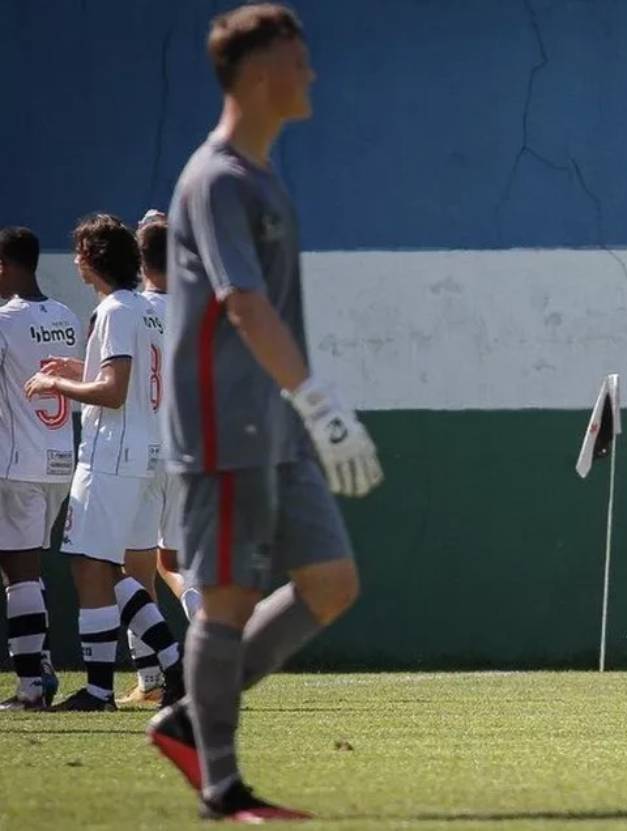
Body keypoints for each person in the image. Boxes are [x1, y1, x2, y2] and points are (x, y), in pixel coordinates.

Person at [146, 3, 382, 821]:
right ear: (256, 74)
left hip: (275, 424)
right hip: (224, 423)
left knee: (331, 581)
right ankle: (221, 785)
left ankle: (187, 719)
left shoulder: (263, 175)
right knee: (228, 598)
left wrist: (307, 408)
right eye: (298, 60)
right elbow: (243, 303)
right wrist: (319, 401)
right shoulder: (213, 179)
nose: (310, 74)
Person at [24, 214, 186, 712]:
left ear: (93, 259)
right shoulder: (146, 308)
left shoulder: (116, 309)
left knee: (89, 565)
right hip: (145, 452)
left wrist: (58, 385)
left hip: (112, 454)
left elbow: (113, 392)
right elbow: (132, 379)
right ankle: (174, 667)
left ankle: (101, 689)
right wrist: (80, 369)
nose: (74, 260)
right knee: (118, 571)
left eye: (78, 252)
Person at [116, 210, 204, 706]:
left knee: (134, 569)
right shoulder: (198, 308)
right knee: (175, 562)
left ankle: (152, 677)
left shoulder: (129, 309)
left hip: (142, 451)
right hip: (188, 449)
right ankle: (216, 650)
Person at [0, 226, 75, 710]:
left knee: (20, 572)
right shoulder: (66, 315)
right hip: (59, 460)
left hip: (18, 463)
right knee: (25, 570)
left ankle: (32, 685)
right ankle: (40, 666)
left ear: (6, 266)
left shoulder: (4, 320)